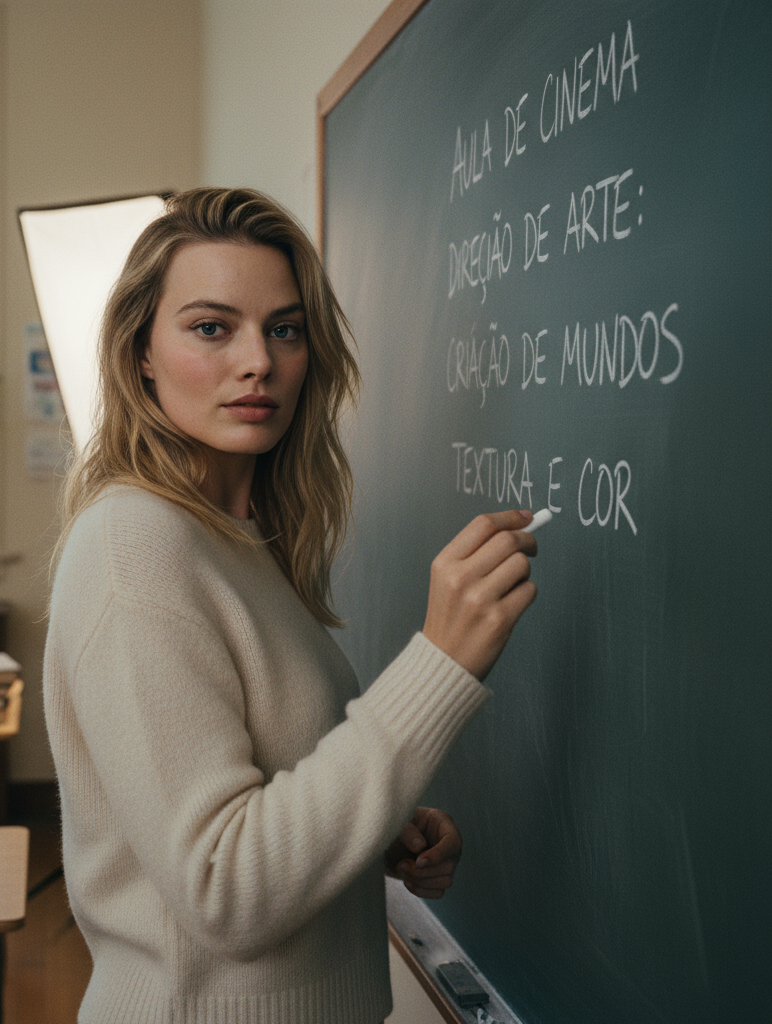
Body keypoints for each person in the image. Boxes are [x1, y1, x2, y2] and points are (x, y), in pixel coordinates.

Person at [43, 187, 538, 1023]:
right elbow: (224, 890)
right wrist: (440, 665)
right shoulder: (135, 543)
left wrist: (374, 831)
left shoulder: (242, 543)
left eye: (284, 328)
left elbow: (239, 799)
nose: (258, 362)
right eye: (211, 327)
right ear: (141, 355)